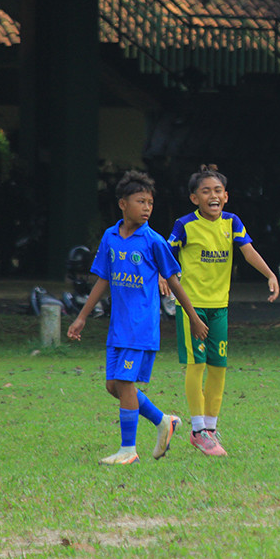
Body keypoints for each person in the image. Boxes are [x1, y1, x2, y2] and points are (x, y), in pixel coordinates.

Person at [67, 170, 209, 466]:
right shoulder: (110, 237)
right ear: (123, 204)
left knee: (125, 383)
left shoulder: (154, 241)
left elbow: (174, 280)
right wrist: (81, 317)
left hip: (141, 326)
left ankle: (128, 449)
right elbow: (103, 279)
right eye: (140, 201)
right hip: (118, 327)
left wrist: (193, 317)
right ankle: (163, 421)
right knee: (114, 387)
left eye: (150, 203)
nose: (147, 207)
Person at [160, 164, 279, 457]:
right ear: (194, 198)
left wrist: (269, 274)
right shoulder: (184, 225)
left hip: (219, 307)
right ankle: (198, 430)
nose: (213, 196)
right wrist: (162, 276)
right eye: (205, 191)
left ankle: (210, 429)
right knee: (196, 366)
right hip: (192, 306)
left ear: (226, 196)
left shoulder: (232, 222)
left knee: (218, 367)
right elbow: (166, 254)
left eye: (217, 191)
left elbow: (248, 250)